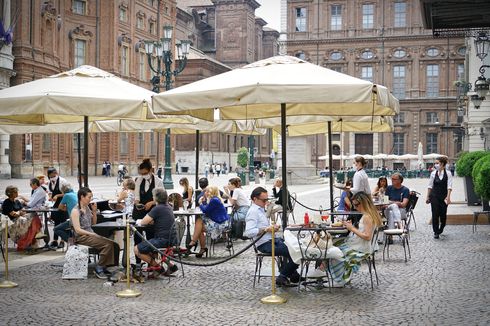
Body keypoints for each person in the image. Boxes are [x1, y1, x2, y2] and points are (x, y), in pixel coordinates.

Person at [244, 186, 302, 287]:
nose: (266, 202)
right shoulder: (253, 212)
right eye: (264, 200)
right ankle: (283, 276)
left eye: (267, 199)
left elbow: (265, 227)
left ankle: (293, 275)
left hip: (271, 239)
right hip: (264, 244)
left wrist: (272, 227)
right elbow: (248, 232)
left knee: (296, 246)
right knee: (296, 251)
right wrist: (266, 229)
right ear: (255, 199)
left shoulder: (260, 209)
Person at [329, 191, 382, 285]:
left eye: (356, 205)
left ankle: (340, 280)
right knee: (335, 247)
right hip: (359, 245)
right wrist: (352, 226)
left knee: (334, 252)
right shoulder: (368, 214)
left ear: (364, 203)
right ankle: (340, 278)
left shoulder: (367, 217)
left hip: (361, 249)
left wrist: (352, 228)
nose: (355, 208)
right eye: (354, 205)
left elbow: (367, 237)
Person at [71, 187, 120, 279]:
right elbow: (77, 229)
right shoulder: (75, 211)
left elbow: (93, 223)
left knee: (114, 245)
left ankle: (106, 266)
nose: (91, 199)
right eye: (89, 197)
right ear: (82, 197)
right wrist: (91, 234)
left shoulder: (87, 208)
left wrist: (94, 211)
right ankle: (99, 268)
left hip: (90, 234)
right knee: (107, 245)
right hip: (81, 237)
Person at [134, 187, 179, 276]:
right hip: (171, 239)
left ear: (155, 198)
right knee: (150, 249)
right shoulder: (168, 207)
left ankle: (158, 267)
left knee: (137, 249)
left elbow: (143, 222)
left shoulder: (157, 208)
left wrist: (141, 220)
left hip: (162, 240)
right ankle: (171, 266)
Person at [133, 158, 163, 263]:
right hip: (139, 212)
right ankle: (138, 262)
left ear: (150, 170)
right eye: (141, 173)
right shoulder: (138, 180)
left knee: (151, 237)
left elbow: (162, 198)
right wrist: (137, 203)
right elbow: (136, 196)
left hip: (152, 213)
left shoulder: (158, 181)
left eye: (145, 173)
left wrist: (152, 202)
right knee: (137, 237)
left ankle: (152, 261)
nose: (143, 175)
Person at [190, 186, 229, 258]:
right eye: (205, 191)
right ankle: (198, 246)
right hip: (217, 221)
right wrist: (204, 202)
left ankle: (195, 243)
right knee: (199, 225)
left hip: (220, 224)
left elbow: (205, 210)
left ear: (213, 192)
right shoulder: (213, 199)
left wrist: (200, 203)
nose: (206, 193)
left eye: (208, 191)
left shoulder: (214, 200)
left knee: (199, 223)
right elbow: (207, 209)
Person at [2, 185, 42, 251]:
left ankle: (33, 236)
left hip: (20, 218)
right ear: (11, 193)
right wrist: (19, 212)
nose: (17, 193)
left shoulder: (17, 201)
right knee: (28, 220)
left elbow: (23, 211)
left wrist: (19, 212)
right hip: (11, 222)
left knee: (34, 215)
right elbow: (13, 214)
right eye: (15, 192)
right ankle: (34, 235)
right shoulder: (6, 202)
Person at [426, 156, 453, 239]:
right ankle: (436, 232)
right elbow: (430, 186)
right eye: (435, 163)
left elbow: (449, 186)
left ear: (442, 164)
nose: (435, 165)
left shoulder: (448, 173)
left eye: (437, 163)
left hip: (443, 196)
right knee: (435, 214)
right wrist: (427, 197)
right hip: (434, 196)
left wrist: (448, 197)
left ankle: (441, 228)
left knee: (443, 215)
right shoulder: (433, 173)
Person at [47, 167, 70, 249]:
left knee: (63, 221)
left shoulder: (63, 181)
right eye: (51, 175)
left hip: (64, 202)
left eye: (54, 174)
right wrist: (50, 196)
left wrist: (57, 195)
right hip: (56, 203)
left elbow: (68, 193)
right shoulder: (50, 181)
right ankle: (55, 240)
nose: (53, 176)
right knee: (56, 221)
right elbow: (50, 191)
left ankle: (63, 241)